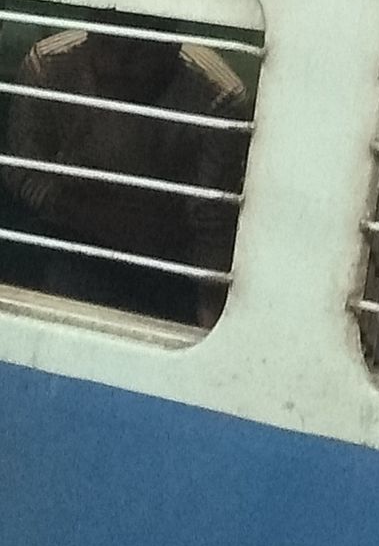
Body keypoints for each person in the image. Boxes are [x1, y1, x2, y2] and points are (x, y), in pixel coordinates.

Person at [2, 21, 249, 326]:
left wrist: (210, 319)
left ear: (171, 44)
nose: (118, 63)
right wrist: (85, 213)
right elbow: (22, 169)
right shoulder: (50, 66)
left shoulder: (215, 97)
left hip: (170, 261)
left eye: (138, 49)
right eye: (106, 43)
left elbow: (213, 222)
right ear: (89, 33)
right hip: (74, 242)